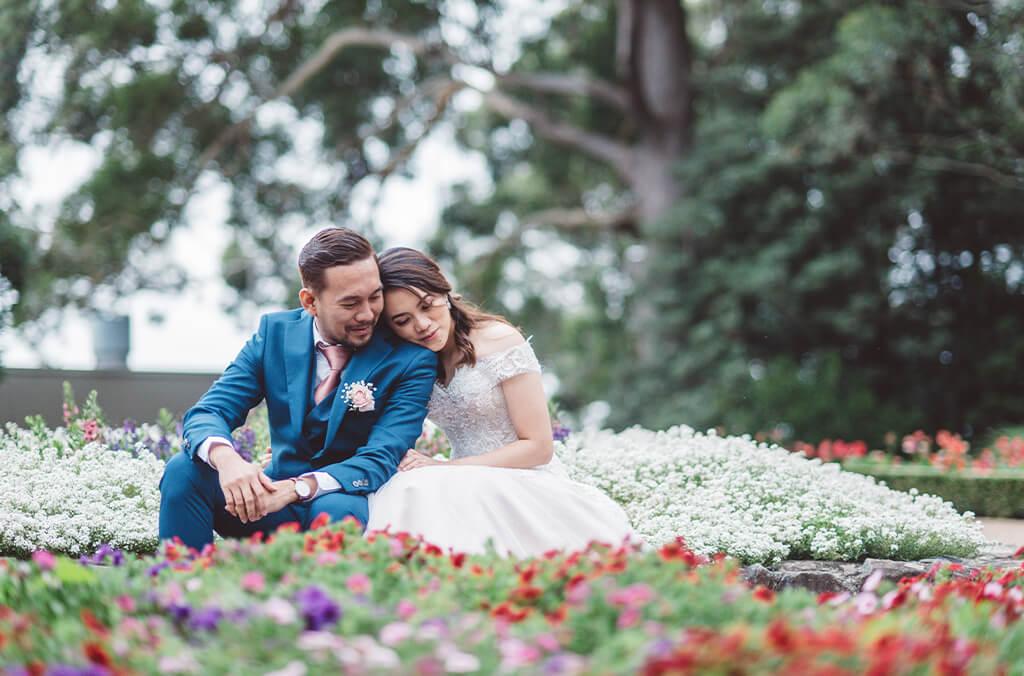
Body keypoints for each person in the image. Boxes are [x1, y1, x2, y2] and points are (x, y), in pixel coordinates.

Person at [159, 228, 437, 550]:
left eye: (375, 296)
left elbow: (380, 456)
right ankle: (180, 588)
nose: (367, 313)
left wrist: (297, 488)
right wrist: (228, 460)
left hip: (347, 503)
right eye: (350, 303)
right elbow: (211, 410)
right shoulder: (274, 334)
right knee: (184, 470)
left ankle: (320, 599)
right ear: (309, 302)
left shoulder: (410, 359)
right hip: (268, 507)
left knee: (336, 511)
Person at [365, 247, 635, 557]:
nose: (422, 324)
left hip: (523, 476)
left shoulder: (499, 340)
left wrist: (452, 468)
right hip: (460, 480)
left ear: (445, 291)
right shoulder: (412, 362)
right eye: (403, 320)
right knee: (404, 490)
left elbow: (539, 446)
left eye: (427, 306)